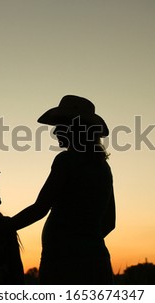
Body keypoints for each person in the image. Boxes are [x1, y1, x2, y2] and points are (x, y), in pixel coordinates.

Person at [10, 95, 116, 284]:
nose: (56, 132)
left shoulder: (66, 160)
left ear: (74, 130)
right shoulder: (103, 167)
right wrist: (86, 242)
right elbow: (109, 222)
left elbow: (40, 208)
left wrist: (4, 227)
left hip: (62, 262)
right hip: (97, 259)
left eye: (61, 127)